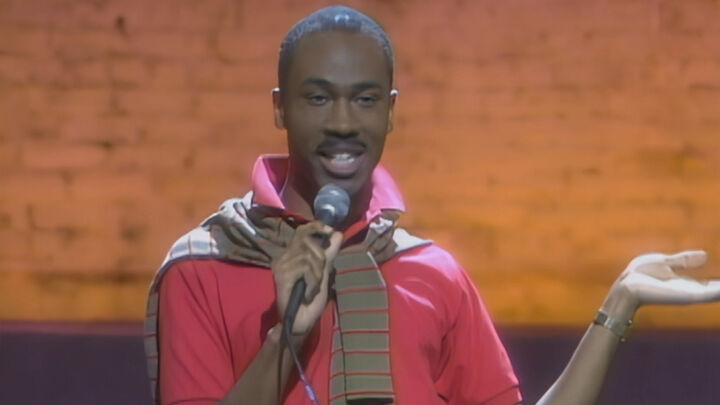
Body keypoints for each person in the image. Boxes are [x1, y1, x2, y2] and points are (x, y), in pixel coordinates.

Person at [144, 6, 720, 405]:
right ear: (279, 108)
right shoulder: (203, 266)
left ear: (390, 112)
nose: (343, 123)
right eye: (318, 98)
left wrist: (618, 304)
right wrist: (284, 339)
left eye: (365, 100)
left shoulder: (433, 273)